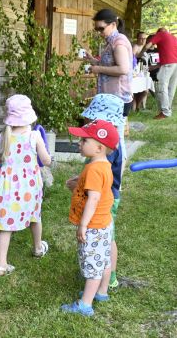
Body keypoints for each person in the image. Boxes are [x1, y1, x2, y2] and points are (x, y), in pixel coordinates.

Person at [0, 95, 52, 276]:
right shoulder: (35, 135)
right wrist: (49, 158)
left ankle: (2, 264)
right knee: (35, 216)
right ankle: (38, 248)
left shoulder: (3, 137)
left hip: (7, 188)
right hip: (29, 187)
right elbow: (46, 161)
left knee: (5, 226)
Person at [65, 94, 124, 289]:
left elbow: (96, 190)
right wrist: (81, 181)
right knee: (107, 238)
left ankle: (108, 276)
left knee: (108, 240)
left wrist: (83, 189)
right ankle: (103, 280)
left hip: (103, 202)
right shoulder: (105, 149)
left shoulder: (107, 151)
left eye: (93, 120)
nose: (90, 122)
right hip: (105, 197)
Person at [61, 120, 119, 317]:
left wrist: (83, 225)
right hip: (104, 222)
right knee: (103, 260)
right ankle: (101, 292)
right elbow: (99, 188)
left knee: (93, 265)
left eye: (84, 140)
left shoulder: (94, 169)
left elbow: (93, 199)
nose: (79, 143)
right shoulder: (102, 164)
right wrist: (78, 183)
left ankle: (85, 305)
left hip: (93, 225)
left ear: (99, 147)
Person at [84, 8, 132, 167]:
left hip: (117, 99)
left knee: (117, 140)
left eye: (101, 28)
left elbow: (123, 69)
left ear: (112, 24)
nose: (99, 32)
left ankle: (117, 180)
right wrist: (93, 61)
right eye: (96, 29)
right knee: (110, 139)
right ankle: (108, 174)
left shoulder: (119, 42)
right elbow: (108, 65)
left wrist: (99, 69)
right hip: (110, 98)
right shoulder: (110, 41)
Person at [141, 27, 177, 119]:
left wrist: (140, 53)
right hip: (176, 64)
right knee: (171, 88)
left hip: (168, 65)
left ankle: (164, 112)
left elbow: (147, 46)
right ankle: (167, 110)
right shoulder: (173, 37)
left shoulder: (160, 34)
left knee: (162, 87)